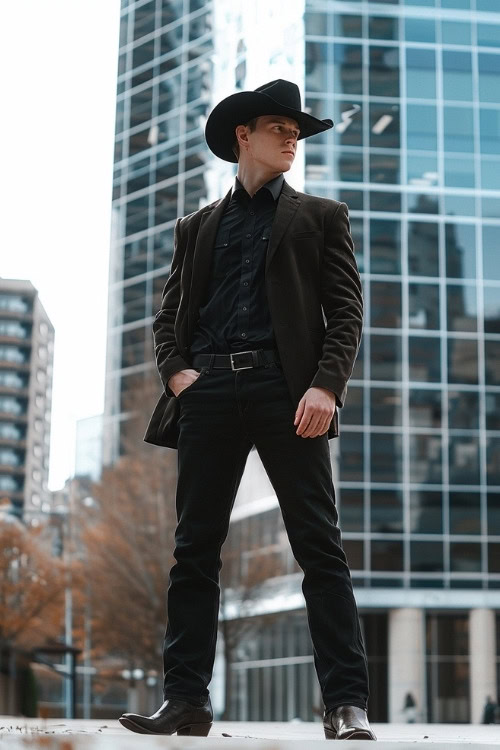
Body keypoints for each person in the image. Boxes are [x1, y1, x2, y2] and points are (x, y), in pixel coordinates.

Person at [119, 79, 375, 740]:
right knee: (193, 551)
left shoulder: (320, 217)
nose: (292, 140)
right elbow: (171, 316)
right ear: (244, 136)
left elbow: (346, 312)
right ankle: (186, 702)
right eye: (280, 129)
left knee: (319, 547)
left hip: (288, 395)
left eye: (297, 132)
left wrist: (325, 385)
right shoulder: (196, 226)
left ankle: (345, 704)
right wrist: (178, 375)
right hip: (209, 396)